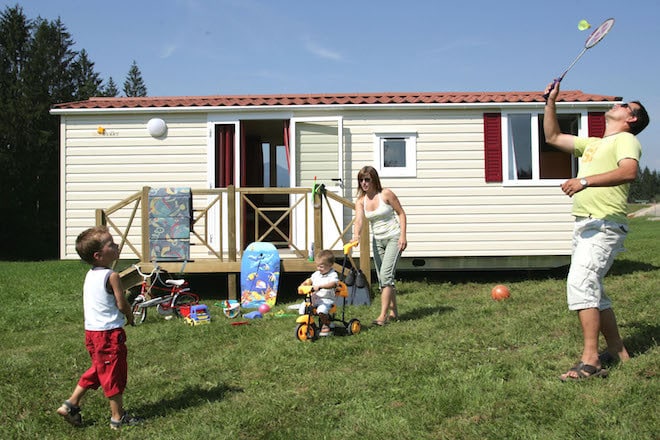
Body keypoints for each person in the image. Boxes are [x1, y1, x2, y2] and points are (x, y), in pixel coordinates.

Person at [543, 81, 650, 381]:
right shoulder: (592, 144)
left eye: (625, 105)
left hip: (603, 224)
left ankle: (591, 359)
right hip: (585, 224)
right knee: (595, 291)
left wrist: (584, 182)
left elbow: (629, 171)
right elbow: (552, 136)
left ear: (630, 119)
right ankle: (618, 351)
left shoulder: (625, 140)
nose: (617, 105)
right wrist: (551, 101)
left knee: (580, 283)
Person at [56, 226, 141, 429]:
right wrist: (129, 315)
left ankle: (71, 404)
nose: (116, 245)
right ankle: (117, 417)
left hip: (92, 332)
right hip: (109, 333)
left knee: (100, 367)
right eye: (111, 244)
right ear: (99, 255)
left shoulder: (90, 275)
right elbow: (122, 304)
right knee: (113, 373)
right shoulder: (112, 276)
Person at [351, 166, 407, 326]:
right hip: (378, 241)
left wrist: (403, 236)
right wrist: (356, 237)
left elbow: (401, 213)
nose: (364, 183)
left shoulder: (386, 194)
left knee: (386, 276)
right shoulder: (361, 201)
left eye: (367, 179)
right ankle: (394, 312)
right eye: (361, 180)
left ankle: (382, 316)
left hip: (393, 238)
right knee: (384, 277)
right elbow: (359, 221)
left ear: (374, 180)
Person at [300, 249, 339, 336]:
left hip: (327, 299)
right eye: (317, 266)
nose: (319, 268)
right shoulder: (316, 274)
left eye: (321, 266)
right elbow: (309, 280)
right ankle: (309, 324)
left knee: (321, 310)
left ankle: (326, 323)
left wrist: (321, 286)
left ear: (330, 265)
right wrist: (304, 284)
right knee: (303, 307)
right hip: (315, 298)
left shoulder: (333, 274)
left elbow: (333, 284)